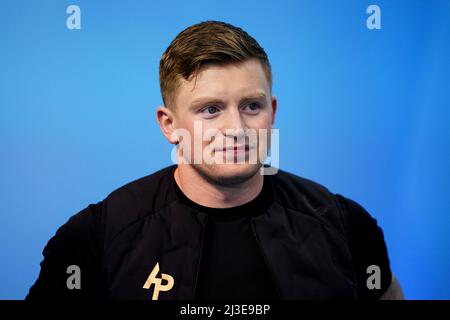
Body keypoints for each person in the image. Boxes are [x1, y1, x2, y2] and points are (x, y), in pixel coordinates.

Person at [26, 20, 404, 300]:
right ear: (169, 124)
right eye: (210, 109)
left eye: (251, 106)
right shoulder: (93, 239)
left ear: (272, 112)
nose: (236, 128)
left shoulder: (345, 226)